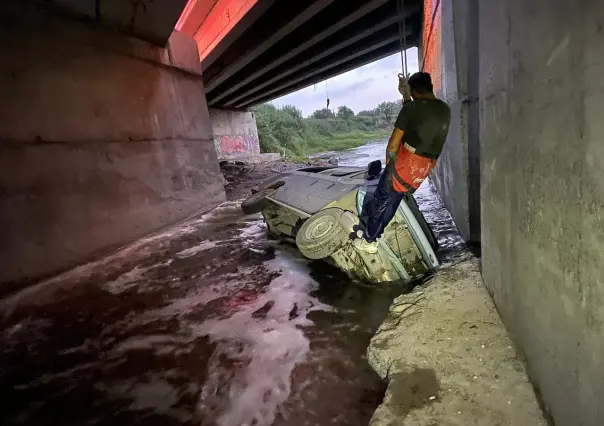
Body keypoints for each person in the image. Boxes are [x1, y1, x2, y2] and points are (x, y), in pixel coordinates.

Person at [354, 72, 451, 253]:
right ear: (429, 86)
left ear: (414, 90)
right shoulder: (444, 109)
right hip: (423, 168)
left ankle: (369, 240)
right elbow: (420, 121)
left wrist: (390, 164)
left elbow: (393, 143)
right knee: (395, 199)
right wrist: (408, 98)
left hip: (405, 164)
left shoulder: (411, 109)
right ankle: (374, 234)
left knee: (382, 200)